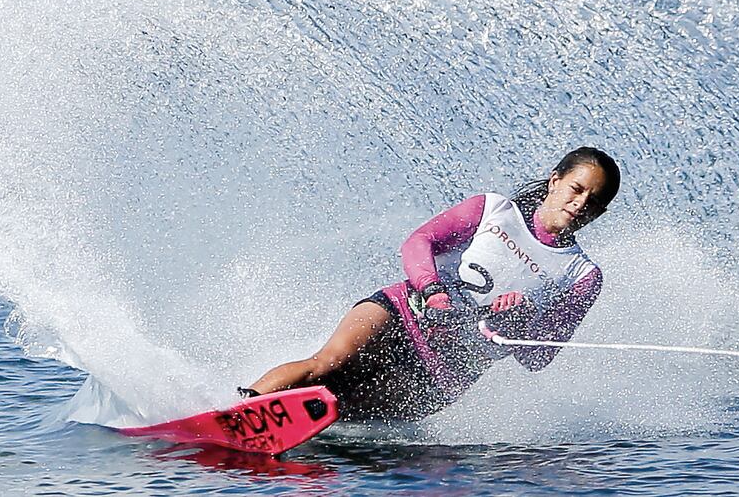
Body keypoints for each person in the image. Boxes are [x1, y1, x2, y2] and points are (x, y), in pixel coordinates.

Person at [243, 147, 621, 420]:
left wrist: (519, 324)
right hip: (404, 313)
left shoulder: (581, 276)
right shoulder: (493, 209)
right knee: (327, 365)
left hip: (447, 369)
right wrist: (433, 292)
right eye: (576, 189)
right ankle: (241, 409)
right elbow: (418, 242)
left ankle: (279, 431)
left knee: (341, 409)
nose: (580, 203)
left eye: (594, 201)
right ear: (556, 181)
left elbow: (540, 356)